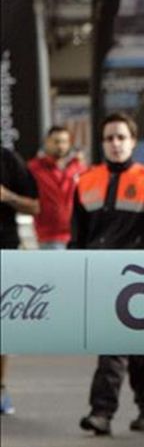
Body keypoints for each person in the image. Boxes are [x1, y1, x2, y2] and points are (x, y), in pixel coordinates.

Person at [71, 113, 144, 435]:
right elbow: (77, 235)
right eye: (109, 138)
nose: (115, 144)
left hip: (135, 281)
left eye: (121, 137)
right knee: (127, 343)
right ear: (102, 143)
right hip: (98, 275)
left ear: (133, 141)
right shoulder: (87, 182)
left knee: (113, 342)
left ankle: (101, 411)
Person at [0, 146, 40, 415]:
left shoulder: (8, 159)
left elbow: (35, 205)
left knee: (2, 326)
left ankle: (0, 387)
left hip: (3, 250)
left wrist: (7, 196)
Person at [27, 125, 87, 249]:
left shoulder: (79, 168)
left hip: (76, 235)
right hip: (47, 236)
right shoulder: (34, 168)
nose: (60, 146)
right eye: (56, 141)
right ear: (47, 142)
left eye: (64, 141)